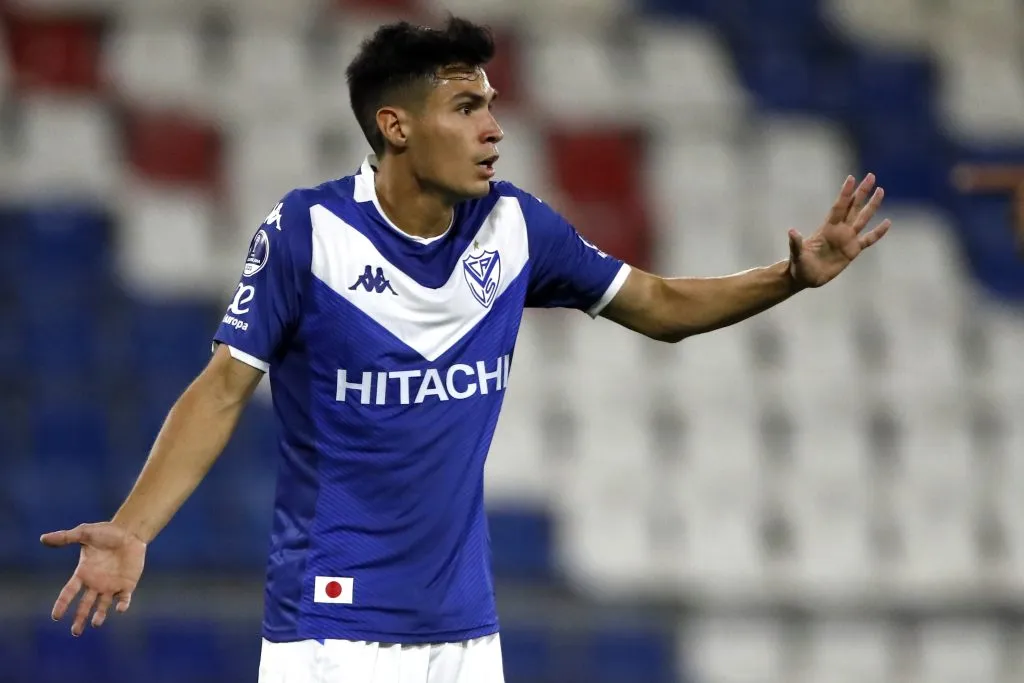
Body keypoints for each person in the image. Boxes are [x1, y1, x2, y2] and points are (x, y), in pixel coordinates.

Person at [39, 16, 891, 683]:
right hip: (330, 628)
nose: (494, 128)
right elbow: (223, 387)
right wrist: (131, 526)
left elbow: (660, 304)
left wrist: (791, 277)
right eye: (467, 106)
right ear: (396, 125)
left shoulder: (515, 226)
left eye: (492, 105)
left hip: (464, 632)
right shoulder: (310, 233)